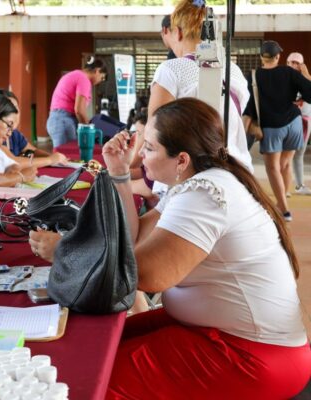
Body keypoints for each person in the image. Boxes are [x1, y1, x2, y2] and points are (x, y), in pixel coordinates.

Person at [31, 98, 310, 398]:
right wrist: (120, 172)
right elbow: (135, 240)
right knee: (94, 345)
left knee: (88, 380)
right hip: (223, 335)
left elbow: (148, 275)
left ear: (181, 160)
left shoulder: (204, 194)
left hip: (250, 356)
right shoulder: (196, 184)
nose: (141, 155)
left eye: (149, 148)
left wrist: (67, 250)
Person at [148, 0, 253, 174]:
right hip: (235, 168)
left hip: (189, 172)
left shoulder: (171, 69)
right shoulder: (233, 71)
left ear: (178, 32)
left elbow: (156, 129)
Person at [243, 41, 311, 221]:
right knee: (285, 164)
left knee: (273, 168)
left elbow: (248, 107)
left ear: (261, 57)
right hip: (294, 124)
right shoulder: (289, 72)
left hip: (271, 127)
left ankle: (284, 209)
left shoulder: (253, 77)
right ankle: (283, 201)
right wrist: (305, 75)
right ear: (278, 57)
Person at [0, 89, 69, 168]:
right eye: (8, 110)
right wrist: (50, 160)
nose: (13, 113)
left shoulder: (14, 134)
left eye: (15, 108)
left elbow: (31, 150)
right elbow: (13, 162)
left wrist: (55, 158)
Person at [46, 57, 107, 147]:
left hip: (56, 119)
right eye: (102, 78)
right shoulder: (84, 79)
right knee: (67, 158)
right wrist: (89, 129)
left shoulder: (75, 74)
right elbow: (79, 110)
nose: (99, 82)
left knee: (63, 157)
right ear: (97, 71)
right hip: (64, 121)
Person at [286, 51, 311, 195]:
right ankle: (285, 187)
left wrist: (306, 74)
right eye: (291, 62)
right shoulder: (284, 77)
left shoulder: (306, 78)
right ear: (287, 63)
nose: (294, 65)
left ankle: (300, 185)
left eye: (297, 62)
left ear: (302, 65)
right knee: (287, 153)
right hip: (290, 119)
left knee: (299, 153)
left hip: (306, 119)